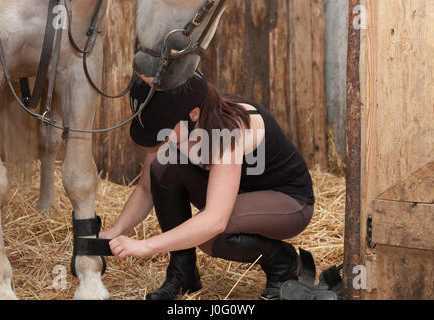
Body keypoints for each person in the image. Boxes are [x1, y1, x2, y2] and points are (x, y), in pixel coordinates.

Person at [100, 71, 315, 300]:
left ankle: (284, 262)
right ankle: (184, 274)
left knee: (211, 235)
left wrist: (146, 246)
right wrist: (116, 231)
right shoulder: (178, 124)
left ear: (193, 114)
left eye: (161, 128)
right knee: (163, 166)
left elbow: (214, 221)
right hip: (236, 194)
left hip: (288, 202)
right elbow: (146, 189)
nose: (157, 138)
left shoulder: (230, 128)